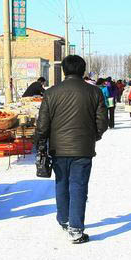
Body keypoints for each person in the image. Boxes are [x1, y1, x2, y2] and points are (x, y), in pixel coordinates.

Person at [35, 55, 108, 244]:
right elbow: (102, 122)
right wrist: (92, 137)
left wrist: (41, 143)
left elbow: (42, 124)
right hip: (83, 149)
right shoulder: (95, 92)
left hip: (58, 149)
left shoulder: (51, 93)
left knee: (61, 184)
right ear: (82, 70)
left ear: (64, 71)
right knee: (78, 186)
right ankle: (75, 229)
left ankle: (64, 219)